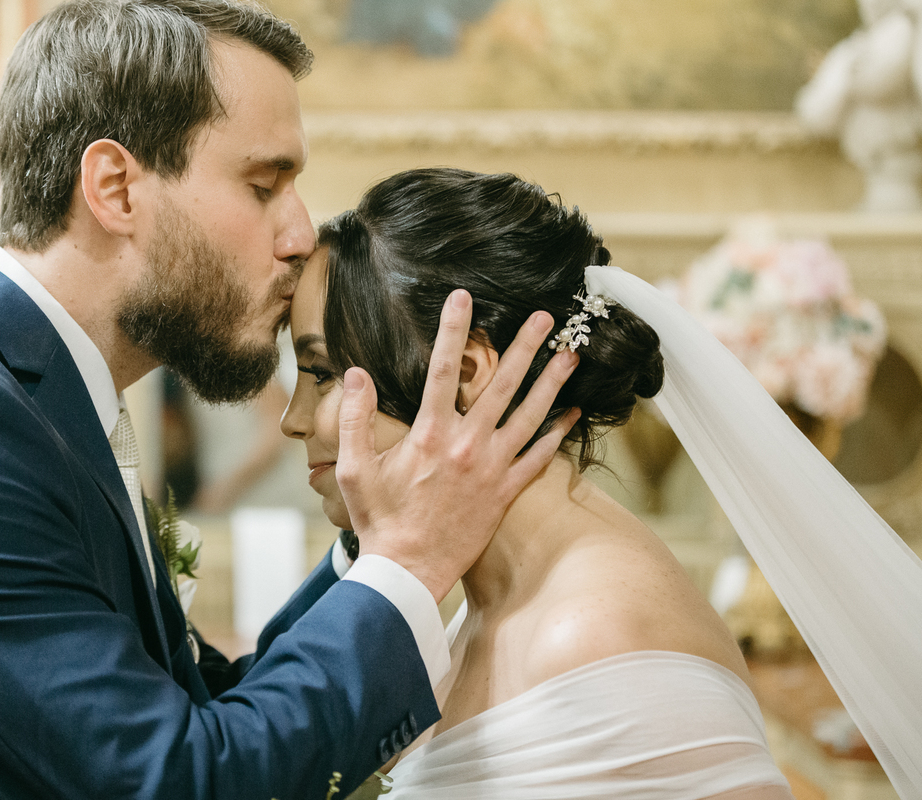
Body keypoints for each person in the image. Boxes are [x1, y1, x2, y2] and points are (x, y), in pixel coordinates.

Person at [0, 3, 579, 799]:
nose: (300, 235)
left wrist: (381, 541)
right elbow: (182, 781)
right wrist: (412, 561)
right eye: (264, 185)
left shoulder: (25, 397)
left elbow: (200, 710)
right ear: (116, 188)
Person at [283, 167, 922, 798]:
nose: (292, 419)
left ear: (467, 372)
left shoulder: (594, 634)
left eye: (320, 373)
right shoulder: (475, 615)